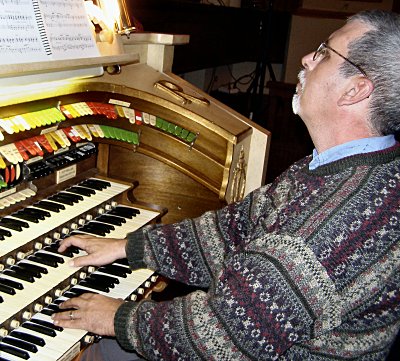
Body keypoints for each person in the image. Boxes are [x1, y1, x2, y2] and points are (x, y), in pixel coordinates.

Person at [52, 9, 400, 360]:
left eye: (325, 52)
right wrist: (132, 247)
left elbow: (221, 338)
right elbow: (233, 228)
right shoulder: (350, 167)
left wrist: (117, 317)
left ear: (355, 90)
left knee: (91, 350)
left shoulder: (325, 227)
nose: (307, 58)